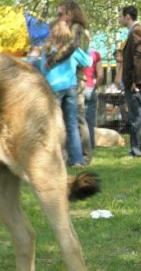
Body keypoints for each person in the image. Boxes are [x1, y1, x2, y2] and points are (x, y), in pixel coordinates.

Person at [40, 19, 92, 168]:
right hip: (71, 87)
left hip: (53, 88)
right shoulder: (72, 50)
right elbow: (88, 62)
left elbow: (44, 70)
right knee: (72, 124)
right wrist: (87, 46)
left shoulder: (48, 49)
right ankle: (77, 160)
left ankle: (56, 159)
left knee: (53, 124)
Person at [118, 5, 141, 158]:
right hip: (136, 81)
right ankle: (140, 148)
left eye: (120, 16)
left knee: (136, 116)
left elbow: (139, 57)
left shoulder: (136, 32)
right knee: (138, 115)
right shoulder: (137, 31)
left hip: (134, 82)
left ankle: (138, 151)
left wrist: (136, 80)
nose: (118, 19)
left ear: (128, 17)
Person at [83, 47, 104, 151]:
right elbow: (100, 75)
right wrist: (95, 86)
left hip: (79, 87)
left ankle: (78, 147)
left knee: (76, 120)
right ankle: (90, 146)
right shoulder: (96, 54)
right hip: (90, 87)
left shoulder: (76, 52)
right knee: (89, 121)